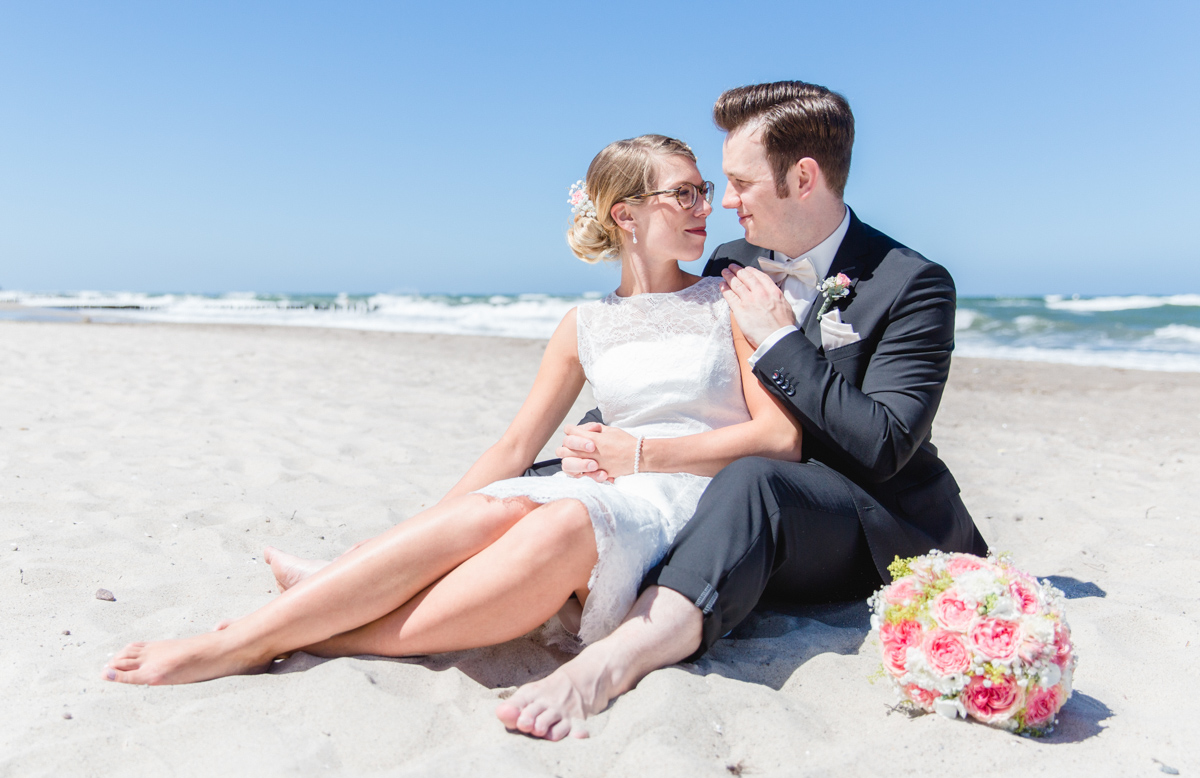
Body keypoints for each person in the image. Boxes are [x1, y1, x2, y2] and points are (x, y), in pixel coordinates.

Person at [102, 135, 804, 712]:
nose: (703, 207)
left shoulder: (733, 300)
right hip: (608, 486)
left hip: (691, 501)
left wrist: (640, 453)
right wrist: (408, 544)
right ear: (625, 215)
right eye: (683, 193)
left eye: (702, 191)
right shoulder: (583, 325)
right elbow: (515, 446)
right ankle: (280, 618)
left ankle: (293, 638)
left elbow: (780, 439)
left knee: (557, 520)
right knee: (496, 507)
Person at [495, 81, 988, 740]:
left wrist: (783, 339)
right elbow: (680, 380)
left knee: (753, 481)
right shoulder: (732, 262)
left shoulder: (912, 283)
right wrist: (598, 433)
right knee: (562, 479)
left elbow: (885, 443)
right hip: (741, 497)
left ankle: (608, 665)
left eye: (740, 183)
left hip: (874, 515)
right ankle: (387, 577)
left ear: (803, 177)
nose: (724, 202)